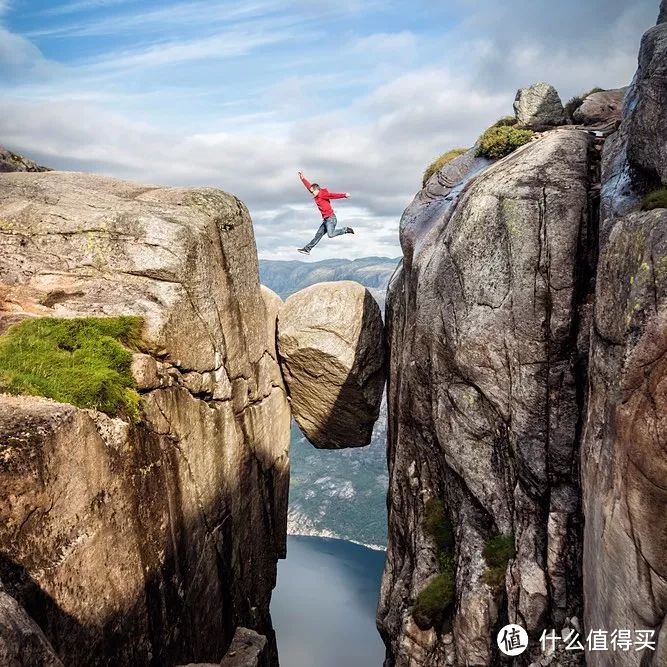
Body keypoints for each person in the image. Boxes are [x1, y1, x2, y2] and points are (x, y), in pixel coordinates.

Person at [296, 171, 354, 254]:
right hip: (326, 220)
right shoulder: (315, 193)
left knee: (330, 235)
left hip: (331, 219)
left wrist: (344, 195)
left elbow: (333, 195)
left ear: (317, 190)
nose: (312, 193)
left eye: (313, 192)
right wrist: (302, 178)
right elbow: (309, 187)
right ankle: (307, 249)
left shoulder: (323, 194)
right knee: (318, 235)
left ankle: (345, 230)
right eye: (311, 192)